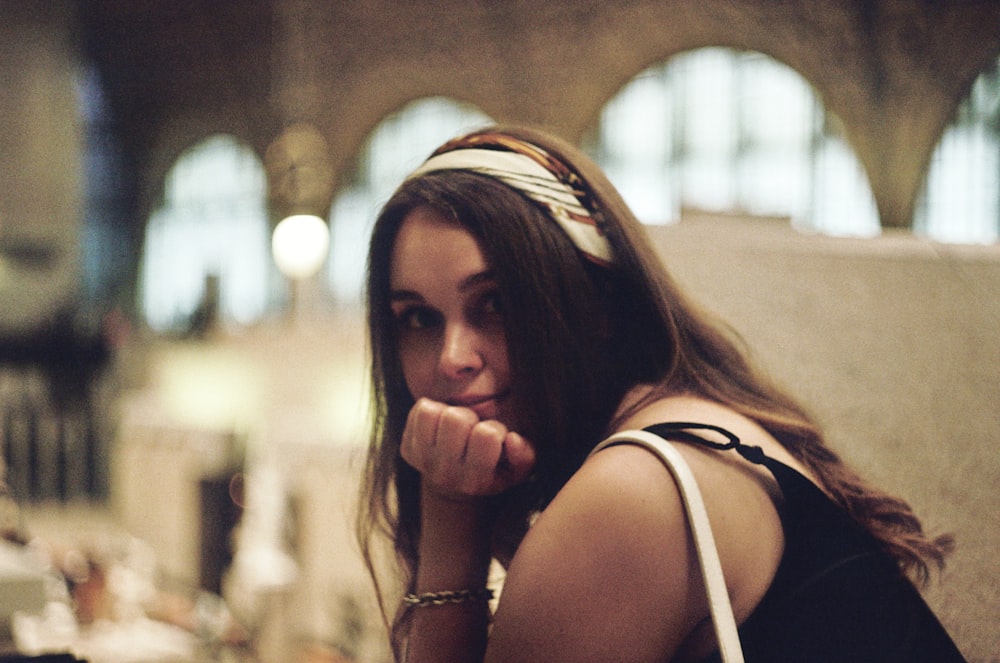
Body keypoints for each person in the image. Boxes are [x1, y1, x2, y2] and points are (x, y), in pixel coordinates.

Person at [356, 125, 965, 662]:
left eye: (496, 303)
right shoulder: (688, 426)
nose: (452, 359)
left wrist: (450, 523)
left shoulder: (632, 494)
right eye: (417, 318)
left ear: (595, 303)